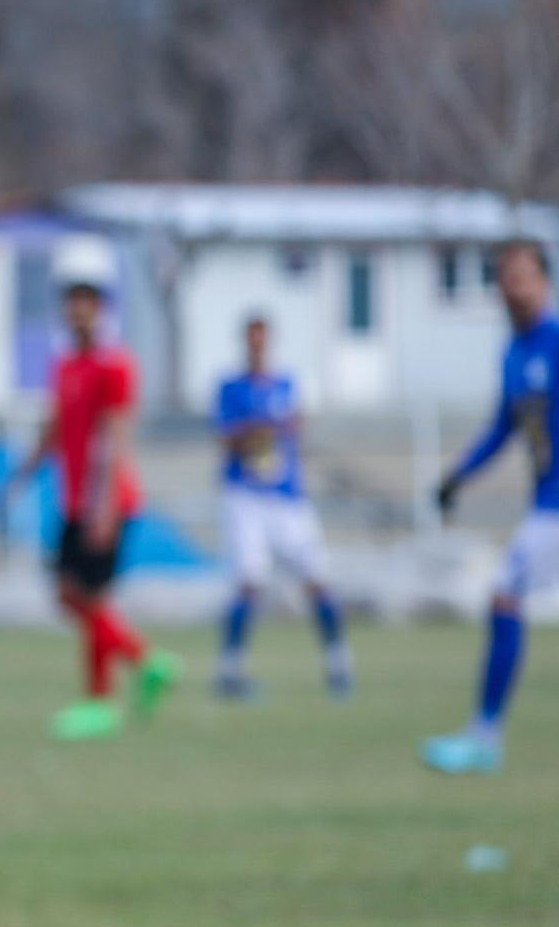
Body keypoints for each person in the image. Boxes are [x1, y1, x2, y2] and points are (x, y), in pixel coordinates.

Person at [420, 238, 559, 776]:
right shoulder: (514, 354)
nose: (513, 288)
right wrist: (456, 477)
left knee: (505, 594)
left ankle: (485, 735)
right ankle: (484, 735)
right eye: (504, 278)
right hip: (553, 504)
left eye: (522, 276)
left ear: (545, 282)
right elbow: (502, 429)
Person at [18, 246, 178, 742]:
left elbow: (116, 439)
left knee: (79, 596)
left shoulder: (115, 364)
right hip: (73, 500)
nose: (77, 308)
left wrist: (105, 507)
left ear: (101, 305)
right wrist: (25, 470)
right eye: (71, 299)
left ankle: (135, 669)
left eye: (86, 298)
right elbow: (55, 425)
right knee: (84, 599)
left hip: (103, 501)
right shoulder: (67, 364)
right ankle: (111, 693)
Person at [211, 314, 351, 700]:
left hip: (287, 498)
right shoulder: (231, 388)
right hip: (245, 497)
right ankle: (230, 671)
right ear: (245, 343)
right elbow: (226, 436)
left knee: (318, 579)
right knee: (248, 582)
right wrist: (260, 428)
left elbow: (297, 428)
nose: (257, 346)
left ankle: (338, 664)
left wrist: (272, 428)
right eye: (252, 339)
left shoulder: (288, 384)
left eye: (262, 339)